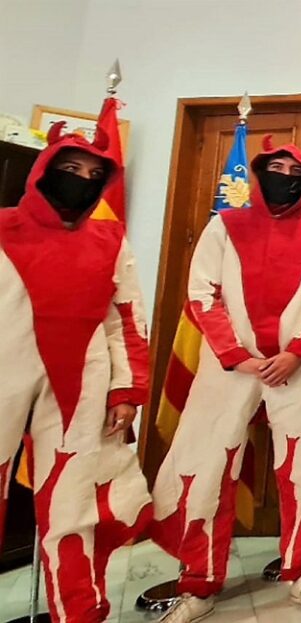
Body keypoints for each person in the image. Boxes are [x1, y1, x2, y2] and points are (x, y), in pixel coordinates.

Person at [151, 137, 301, 622]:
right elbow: (202, 294)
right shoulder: (223, 225)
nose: (284, 177)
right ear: (260, 172)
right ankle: (198, 582)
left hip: (296, 366)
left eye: (295, 172)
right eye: (276, 168)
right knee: (203, 467)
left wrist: (298, 352)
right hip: (228, 368)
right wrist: (236, 355)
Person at [0, 123, 152, 623]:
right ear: (45, 170)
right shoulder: (2, 226)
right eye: (71, 168)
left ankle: (79, 615)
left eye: (93, 175)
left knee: (74, 508)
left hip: (83, 380)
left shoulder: (109, 239)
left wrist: (126, 389)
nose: (81, 180)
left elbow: (125, 320)